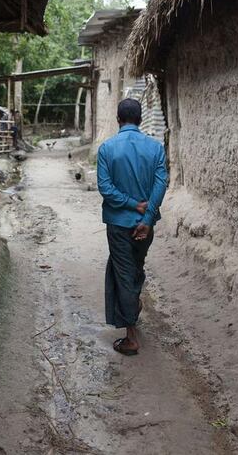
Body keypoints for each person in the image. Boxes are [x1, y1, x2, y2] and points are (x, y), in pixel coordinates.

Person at [97, 98, 168, 356]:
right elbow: (161, 185)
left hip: (118, 224)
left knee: (123, 275)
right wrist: (147, 218)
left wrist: (131, 205)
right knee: (136, 267)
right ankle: (132, 306)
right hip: (144, 227)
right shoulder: (156, 148)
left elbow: (105, 188)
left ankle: (130, 337)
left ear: (118, 119)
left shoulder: (107, 149)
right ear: (140, 120)